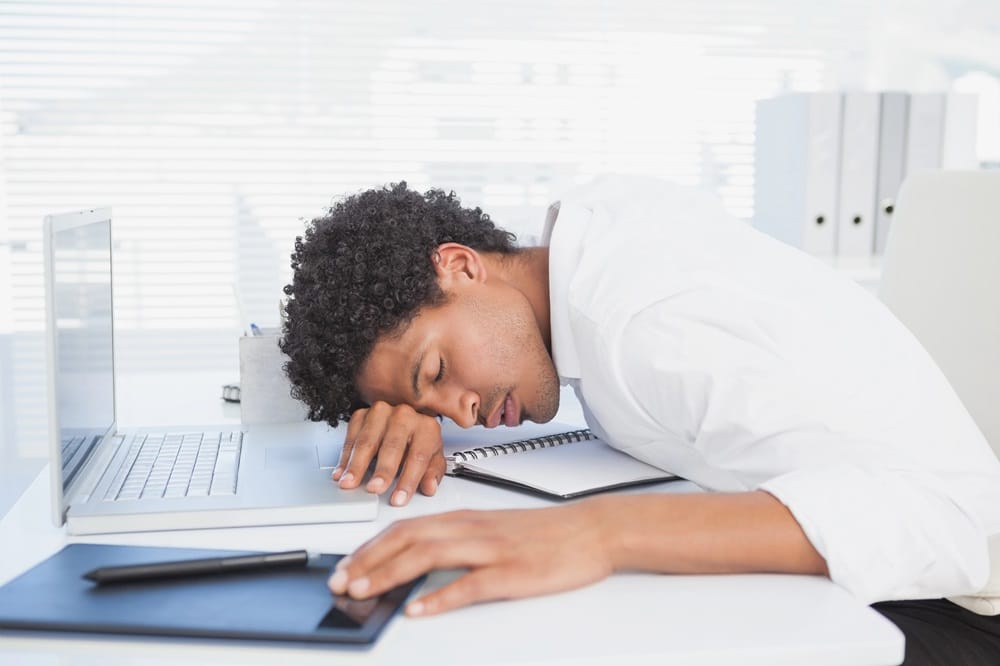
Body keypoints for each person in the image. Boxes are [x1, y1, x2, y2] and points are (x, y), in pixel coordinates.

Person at [279, 177, 1000, 664]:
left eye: (436, 375)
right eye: (427, 400)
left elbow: (954, 519)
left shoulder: (644, 321)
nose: (460, 408)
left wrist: (595, 534)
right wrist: (430, 418)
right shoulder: (585, 256)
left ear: (462, 266)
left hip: (947, 613)